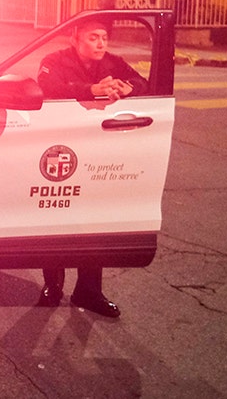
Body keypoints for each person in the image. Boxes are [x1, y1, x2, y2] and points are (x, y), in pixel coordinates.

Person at [35, 18, 148, 318]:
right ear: (75, 38)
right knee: (56, 212)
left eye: (104, 38)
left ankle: (88, 290)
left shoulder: (113, 62)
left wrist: (127, 87)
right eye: (93, 38)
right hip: (61, 143)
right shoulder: (54, 61)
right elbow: (48, 88)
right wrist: (90, 88)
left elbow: (144, 83)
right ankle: (53, 285)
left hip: (97, 145)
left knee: (93, 217)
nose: (100, 44)